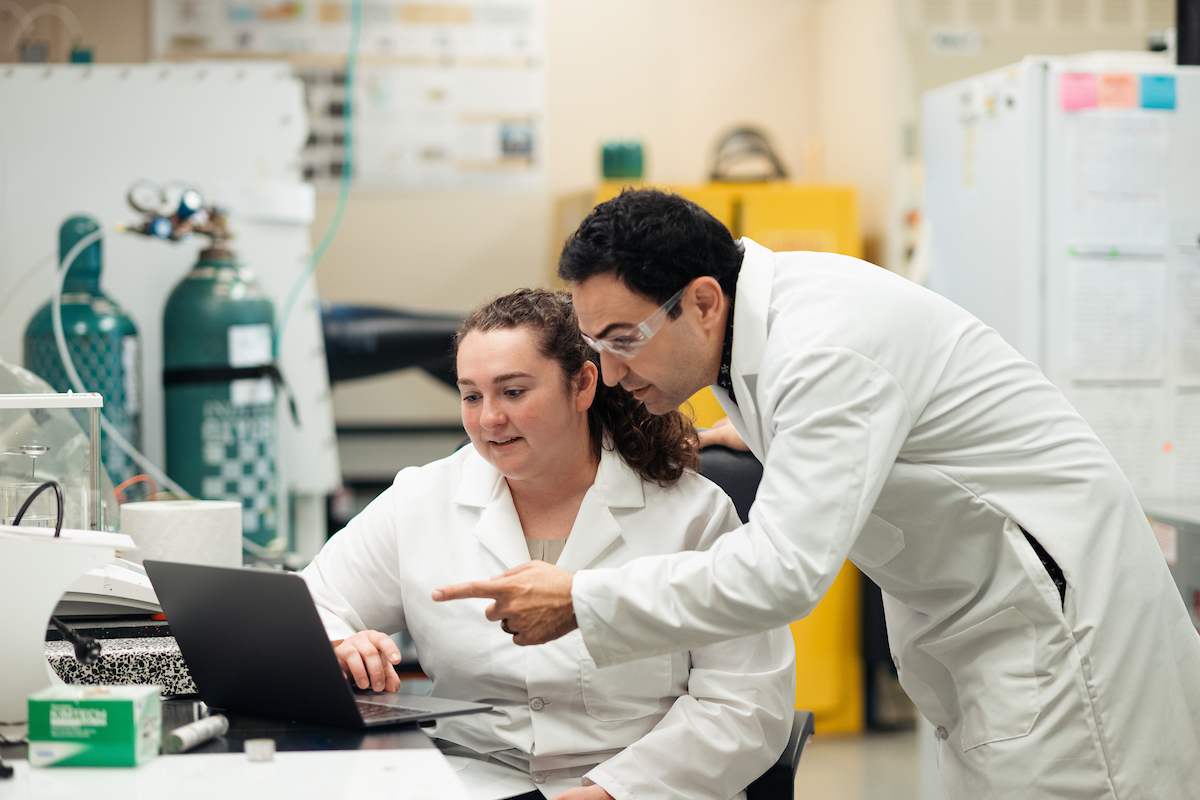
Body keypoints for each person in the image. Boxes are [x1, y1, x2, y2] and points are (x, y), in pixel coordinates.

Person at [434, 190, 1200, 798]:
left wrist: (583, 600)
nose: (613, 369)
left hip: (1065, 637)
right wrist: (775, 437)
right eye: (595, 344)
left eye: (625, 340)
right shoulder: (759, 335)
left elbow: (782, 573)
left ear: (702, 301)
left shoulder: (826, 348)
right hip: (993, 626)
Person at [301, 287, 795, 800]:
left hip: (645, 785)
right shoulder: (422, 499)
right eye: (472, 395)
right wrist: (339, 646)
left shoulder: (692, 515)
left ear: (582, 385)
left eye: (513, 392)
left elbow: (746, 702)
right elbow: (309, 605)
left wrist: (612, 791)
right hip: (475, 780)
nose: (489, 418)